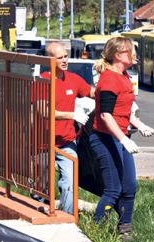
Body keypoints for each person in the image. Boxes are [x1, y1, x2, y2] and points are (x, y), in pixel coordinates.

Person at [90, 37, 154, 241]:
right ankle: (96, 229)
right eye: (131, 51)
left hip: (119, 136)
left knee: (129, 185)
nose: (135, 55)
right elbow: (105, 115)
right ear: (119, 55)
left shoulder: (124, 76)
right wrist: (124, 139)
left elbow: (123, 111)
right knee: (113, 188)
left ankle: (125, 228)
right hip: (104, 138)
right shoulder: (109, 79)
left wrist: (140, 125)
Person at [41, 42, 96, 214]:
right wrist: (72, 115)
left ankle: (67, 217)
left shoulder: (73, 79)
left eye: (66, 56)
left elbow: (93, 92)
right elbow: (44, 111)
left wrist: (112, 86)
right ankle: (39, 209)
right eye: (60, 58)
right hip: (42, 144)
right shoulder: (42, 81)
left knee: (70, 182)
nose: (65, 60)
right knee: (40, 186)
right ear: (50, 59)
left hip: (66, 142)